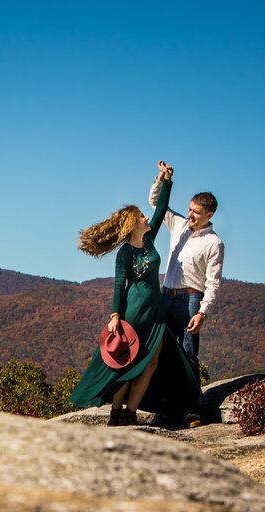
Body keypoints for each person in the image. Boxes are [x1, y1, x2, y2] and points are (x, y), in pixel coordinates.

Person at [69, 162, 202, 426]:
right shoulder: (125, 253)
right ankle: (115, 413)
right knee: (126, 364)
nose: (146, 218)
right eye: (142, 216)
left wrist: (166, 179)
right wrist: (115, 314)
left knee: (150, 365)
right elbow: (120, 284)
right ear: (133, 223)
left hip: (156, 311)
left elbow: (161, 208)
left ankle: (131, 414)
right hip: (134, 311)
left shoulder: (149, 240)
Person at [148, 170, 223, 426]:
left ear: (209, 215)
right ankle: (165, 408)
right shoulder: (179, 224)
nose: (190, 215)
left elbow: (213, 282)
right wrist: (162, 179)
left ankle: (193, 409)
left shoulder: (214, 243)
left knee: (188, 355)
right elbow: (156, 203)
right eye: (190, 209)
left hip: (191, 300)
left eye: (197, 212)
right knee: (162, 353)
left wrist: (203, 312)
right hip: (165, 296)